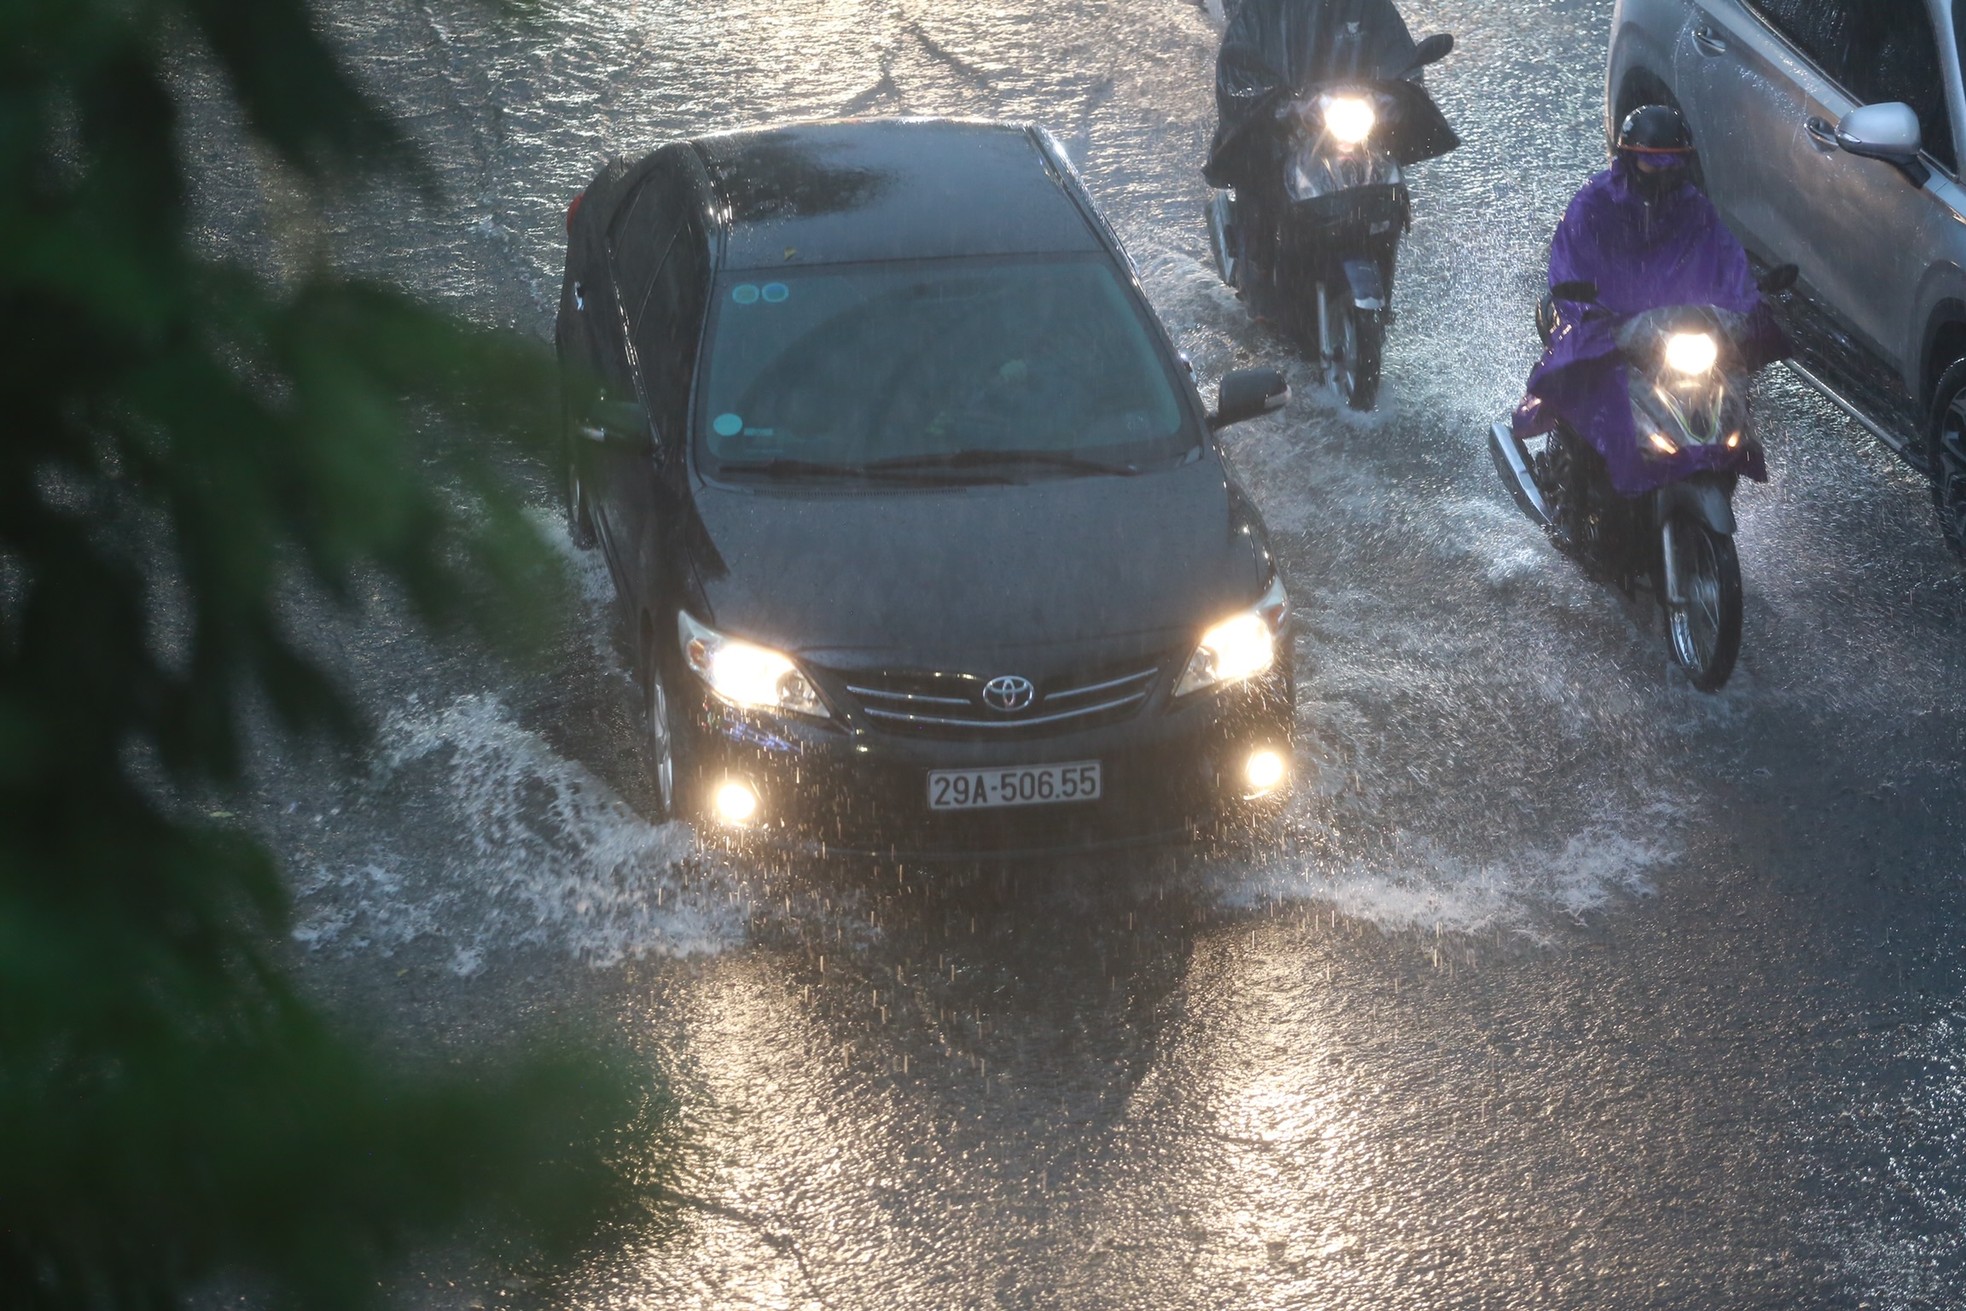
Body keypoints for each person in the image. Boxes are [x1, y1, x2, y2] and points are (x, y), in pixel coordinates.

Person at [1513, 104, 1789, 527]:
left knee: (1726, 385)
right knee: (1600, 391)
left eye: (1670, 162)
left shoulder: (1695, 209)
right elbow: (1571, 262)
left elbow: (1726, 262)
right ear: (1628, 158)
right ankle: (1583, 490)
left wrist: (1748, 303)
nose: (1660, 172)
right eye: (1649, 161)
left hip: (1672, 333)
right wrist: (1591, 311)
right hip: (1612, 328)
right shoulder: (1595, 203)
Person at [1203, 0, 1422, 297]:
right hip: (1289, 133)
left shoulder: (1371, 7)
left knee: (1389, 189)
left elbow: (1400, 59)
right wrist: (1280, 107)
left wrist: (1397, 95)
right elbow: (1238, 68)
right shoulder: (1261, 11)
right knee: (1261, 174)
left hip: (1353, 131)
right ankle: (1259, 280)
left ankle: (1381, 269)